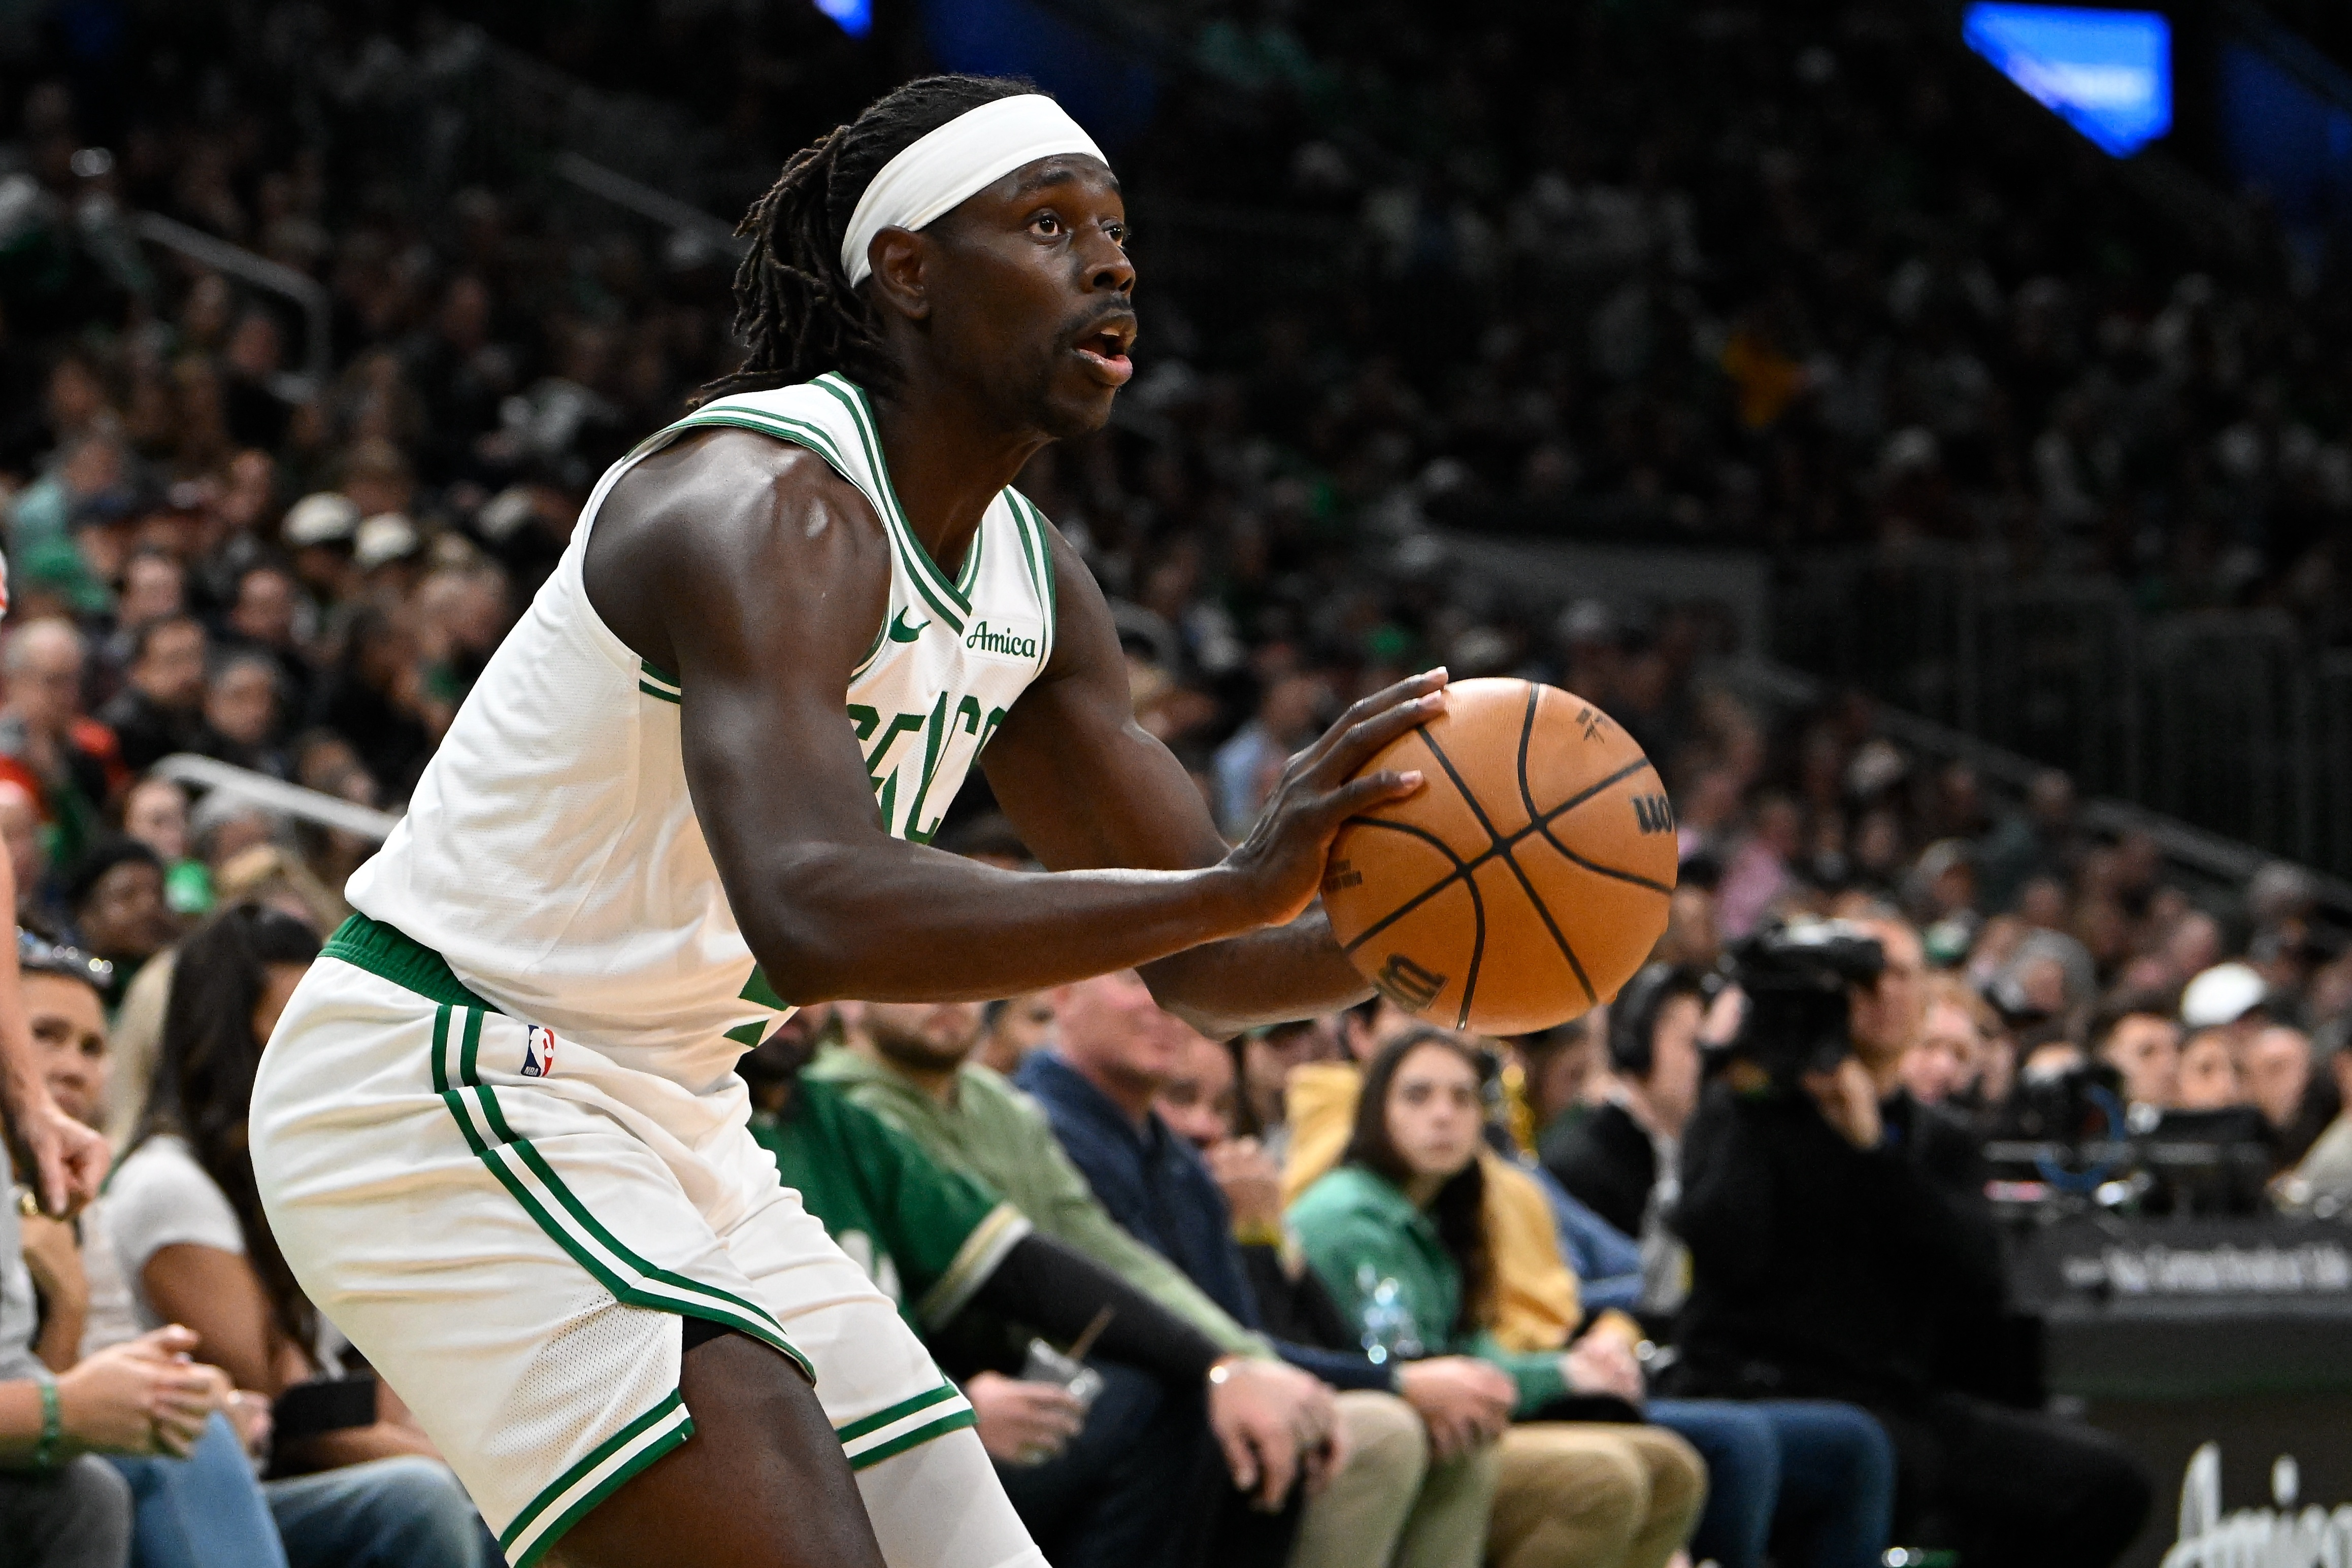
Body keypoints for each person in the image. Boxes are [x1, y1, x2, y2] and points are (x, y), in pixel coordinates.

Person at [251, 73, 1447, 1568]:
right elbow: (812, 906)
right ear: (908, 273)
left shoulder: (1034, 583)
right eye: (1048, 223)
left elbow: (1207, 967)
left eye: (1116, 231)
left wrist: (1434, 942)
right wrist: (1235, 887)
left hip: (678, 1110)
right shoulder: (758, 499)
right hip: (446, 1075)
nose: (1110, 264)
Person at [743, 1002, 1318, 1568]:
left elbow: (1025, 1266)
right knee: (1166, 1405)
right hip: (806, 1463)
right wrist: (960, 1396)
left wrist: (1225, 1366)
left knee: (1211, 1402)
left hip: (928, 1427)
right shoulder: (727, 1131)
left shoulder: (834, 1118)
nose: (788, 997)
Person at [1671, 916, 2151, 1566]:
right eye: (1858, 979)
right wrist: (1750, 1083)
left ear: (1925, 996)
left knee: (2108, 1485)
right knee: (1878, 1455)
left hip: (1893, 1393)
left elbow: (1979, 1280)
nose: (1879, 994)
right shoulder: (1744, 1111)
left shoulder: (1939, 1139)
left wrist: (1872, 1152)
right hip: (1757, 1382)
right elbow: (1726, 1249)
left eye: (1896, 974)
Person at [1018, 972, 1503, 1568]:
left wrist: (1264, 1245)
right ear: (1062, 993)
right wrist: (1397, 1382)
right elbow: (1170, 1331)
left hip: (1188, 1395)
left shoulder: (1178, 1160)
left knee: (1460, 1435)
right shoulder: (1036, 1128)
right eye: (1134, 976)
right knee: (1385, 1430)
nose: (1206, 1127)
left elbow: (1252, 1330)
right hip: (1083, 1412)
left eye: (1222, 1107)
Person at [109, 906, 494, 1567]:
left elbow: (382, 1386)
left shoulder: (298, 1169)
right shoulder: (166, 1184)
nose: (324, 1052)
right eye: (292, 1026)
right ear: (224, 1041)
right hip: (227, 1491)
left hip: (316, 1459)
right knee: (427, 1498)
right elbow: (301, 1418)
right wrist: (485, 1482)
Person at [1288, 1030, 1706, 1568]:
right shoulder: (1349, 1214)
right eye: (1417, 1096)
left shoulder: (1442, 1207)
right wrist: (1564, 1375)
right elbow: (1409, 1364)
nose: (1443, 1115)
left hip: (1445, 1427)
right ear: (1374, 1111)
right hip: (1380, 1431)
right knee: (1603, 1479)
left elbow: (1472, 1348)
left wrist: (1575, 1368)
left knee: (1673, 1468)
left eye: (1462, 1098)